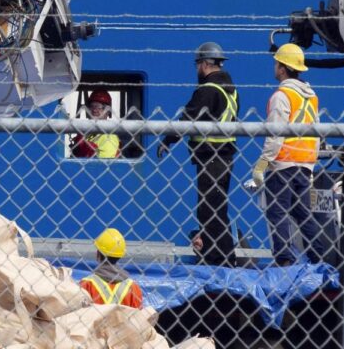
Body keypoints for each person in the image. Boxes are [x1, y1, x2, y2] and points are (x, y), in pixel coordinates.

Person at [158, 42, 239, 267]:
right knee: (217, 209)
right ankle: (223, 257)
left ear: (204, 64)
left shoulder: (207, 90)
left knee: (208, 210)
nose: (197, 70)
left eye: (198, 65)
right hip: (224, 156)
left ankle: (218, 259)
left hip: (211, 157)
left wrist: (168, 140)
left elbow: (188, 117)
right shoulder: (230, 90)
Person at [252, 43, 326, 266]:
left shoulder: (282, 96)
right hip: (305, 165)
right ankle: (319, 258)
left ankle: (284, 260)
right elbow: (317, 131)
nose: (274, 67)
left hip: (283, 164)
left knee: (277, 212)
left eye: (276, 63)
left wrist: (263, 164)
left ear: (283, 68)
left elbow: (276, 133)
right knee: (303, 214)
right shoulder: (310, 97)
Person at [80, 228, 143, 308]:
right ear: (120, 256)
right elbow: (137, 318)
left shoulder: (87, 285)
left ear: (98, 254)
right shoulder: (133, 288)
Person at [71, 89, 121, 158]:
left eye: (99, 107)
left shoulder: (109, 136)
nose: (94, 110)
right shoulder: (88, 133)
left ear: (107, 111)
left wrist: (87, 150)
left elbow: (104, 166)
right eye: (92, 106)